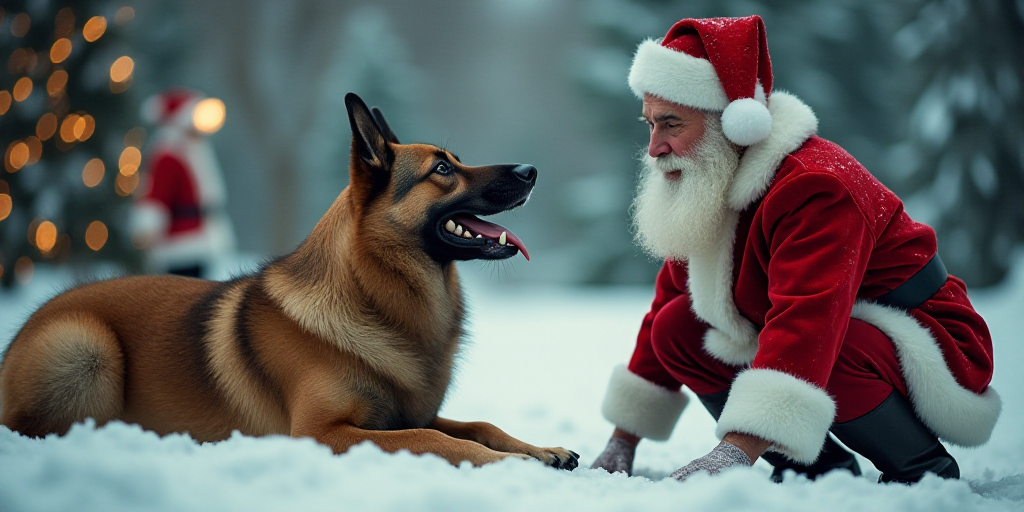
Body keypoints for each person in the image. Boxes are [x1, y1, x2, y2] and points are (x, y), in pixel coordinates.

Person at [590, 15, 1000, 484]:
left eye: (671, 124)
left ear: (733, 123)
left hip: (927, 342)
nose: (654, 147)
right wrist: (624, 438)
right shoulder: (710, 176)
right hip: (829, 333)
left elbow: (809, 321)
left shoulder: (814, 184)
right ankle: (816, 470)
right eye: (649, 124)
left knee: (834, 344)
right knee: (676, 328)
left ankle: (921, 468)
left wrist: (734, 452)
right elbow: (669, 299)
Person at [131, 88, 236, 279]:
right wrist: (147, 227)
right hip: (178, 246)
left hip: (201, 241)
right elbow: (156, 196)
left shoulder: (196, 149)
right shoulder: (168, 154)